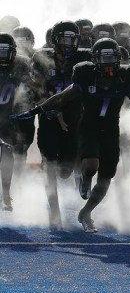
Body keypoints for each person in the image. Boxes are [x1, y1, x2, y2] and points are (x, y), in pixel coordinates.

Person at [12, 38, 130, 233]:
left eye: (112, 58)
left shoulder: (125, 77)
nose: (108, 63)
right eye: (104, 58)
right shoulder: (86, 75)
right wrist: (34, 112)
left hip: (111, 130)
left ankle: (86, 213)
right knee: (91, 166)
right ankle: (84, 176)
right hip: (89, 127)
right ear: (95, 60)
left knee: (105, 181)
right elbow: (61, 98)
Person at [24, 20, 91, 229]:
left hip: (74, 116)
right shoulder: (41, 58)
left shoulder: (84, 58)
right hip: (49, 116)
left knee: (65, 170)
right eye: (64, 39)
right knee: (49, 164)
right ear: (55, 40)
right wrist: (54, 111)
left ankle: (80, 175)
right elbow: (35, 90)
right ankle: (54, 210)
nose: (69, 43)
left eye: (72, 39)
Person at [0, 33, 33, 211]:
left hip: (8, 116)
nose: (2, 56)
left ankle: (6, 194)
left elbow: (32, 89)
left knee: (7, 152)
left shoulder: (22, 65)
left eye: (6, 52)